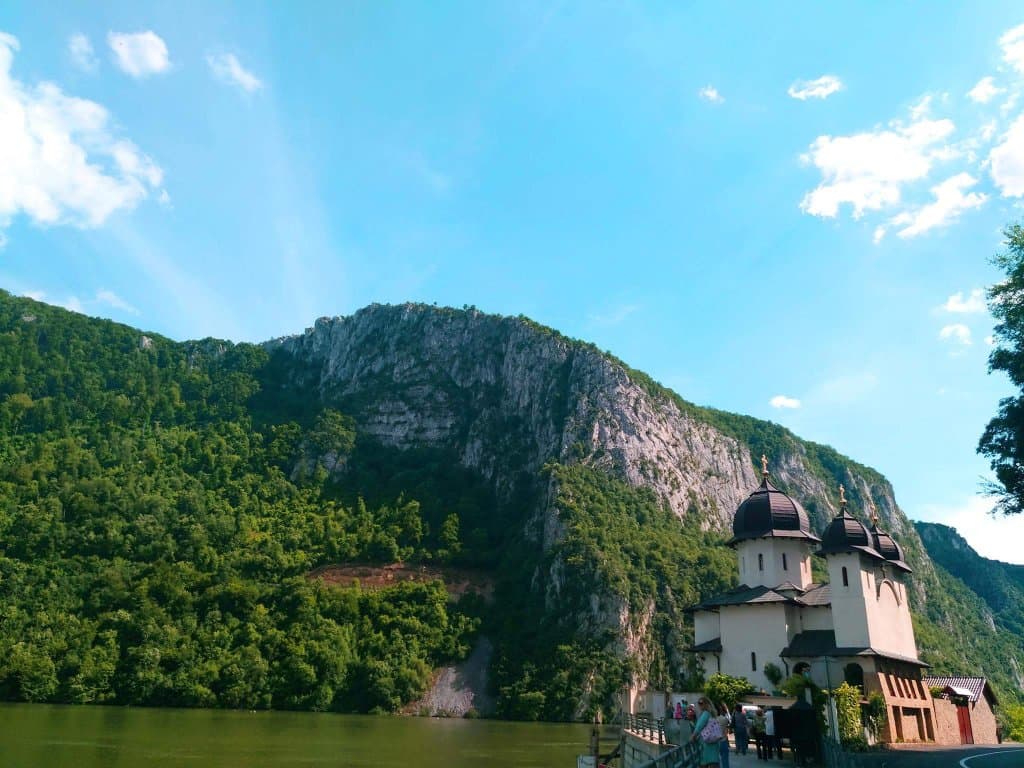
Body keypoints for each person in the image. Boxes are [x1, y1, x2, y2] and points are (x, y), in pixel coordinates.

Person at [690, 696, 721, 768]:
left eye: (701, 703)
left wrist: (693, 736)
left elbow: (699, 726)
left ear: (706, 704)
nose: (699, 705)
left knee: (705, 763)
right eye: (699, 703)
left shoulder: (705, 714)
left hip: (706, 743)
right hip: (713, 742)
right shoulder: (712, 713)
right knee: (713, 762)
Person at [716, 703, 732, 768]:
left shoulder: (710, 719)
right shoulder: (724, 719)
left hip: (714, 742)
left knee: (715, 761)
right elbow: (726, 730)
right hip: (723, 740)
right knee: (725, 760)